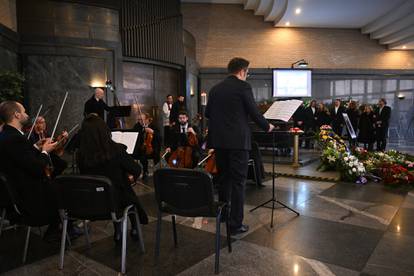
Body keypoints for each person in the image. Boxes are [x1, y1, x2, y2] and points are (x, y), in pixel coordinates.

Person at [205, 57, 274, 235]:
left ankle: (224, 216)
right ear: (242, 71)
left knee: (224, 180)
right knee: (238, 183)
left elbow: (208, 114)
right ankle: (236, 224)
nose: (247, 76)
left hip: (219, 143)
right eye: (247, 72)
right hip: (238, 143)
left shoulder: (215, 89)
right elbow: (253, 111)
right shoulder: (243, 87)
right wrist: (267, 126)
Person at [76, 114, 148, 242]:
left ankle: (118, 231)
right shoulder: (116, 150)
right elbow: (136, 169)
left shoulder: (81, 155)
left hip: (93, 202)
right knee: (125, 190)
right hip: (117, 201)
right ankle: (135, 228)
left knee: (115, 186)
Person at [0, 101, 59, 226]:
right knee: (65, 191)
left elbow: (21, 157)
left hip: (17, 190)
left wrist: (36, 147)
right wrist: (45, 152)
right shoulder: (15, 138)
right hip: (29, 196)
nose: (26, 114)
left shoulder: (6, 134)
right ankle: (58, 231)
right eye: (24, 112)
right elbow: (37, 169)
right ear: (17, 115)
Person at [132, 112, 161, 179]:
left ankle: (150, 171)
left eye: (142, 120)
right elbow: (134, 136)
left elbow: (160, 138)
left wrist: (153, 132)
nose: (140, 121)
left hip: (152, 148)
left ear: (147, 120)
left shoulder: (154, 126)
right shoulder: (137, 126)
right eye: (138, 120)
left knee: (144, 156)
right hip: (140, 148)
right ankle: (138, 171)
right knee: (133, 155)